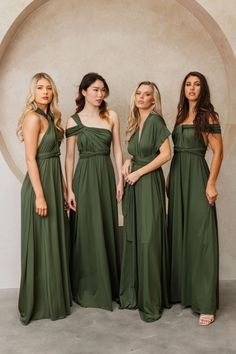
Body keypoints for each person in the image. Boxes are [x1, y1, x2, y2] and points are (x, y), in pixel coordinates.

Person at [167, 71, 223, 326]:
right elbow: (174, 152)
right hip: (178, 178)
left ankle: (205, 302)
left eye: (197, 84)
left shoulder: (208, 116)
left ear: (203, 89)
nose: (192, 88)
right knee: (181, 234)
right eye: (188, 84)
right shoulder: (179, 116)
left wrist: (211, 182)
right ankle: (184, 293)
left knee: (202, 239)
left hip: (198, 178)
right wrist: (169, 180)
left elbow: (218, 152)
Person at [65, 72, 123, 311]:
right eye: (95, 90)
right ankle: (87, 287)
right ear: (84, 92)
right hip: (84, 178)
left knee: (106, 226)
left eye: (102, 90)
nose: (100, 94)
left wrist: (120, 180)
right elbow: (69, 158)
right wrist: (69, 189)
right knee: (86, 230)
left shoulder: (111, 116)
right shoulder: (73, 121)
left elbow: (118, 150)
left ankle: (108, 285)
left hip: (106, 175)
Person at [17, 72, 71, 325]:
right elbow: (31, 159)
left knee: (53, 241)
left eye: (49, 88)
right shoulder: (32, 118)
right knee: (39, 243)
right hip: (38, 188)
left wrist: (62, 190)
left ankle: (53, 300)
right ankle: (37, 304)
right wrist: (40, 195)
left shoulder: (51, 118)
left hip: (51, 183)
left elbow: (54, 159)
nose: (45, 92)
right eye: (40, 88)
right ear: (33, 92)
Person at [119, 81, 171, 322]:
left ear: (154, 99)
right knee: (135, 237)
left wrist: (139, 172)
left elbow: (166, 154)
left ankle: (151, 301)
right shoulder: (135, 122)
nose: (141, 97)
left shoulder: (156, 121)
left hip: (148, 184)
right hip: (134, 186)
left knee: (149, 239)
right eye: (138, 93)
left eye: (147, 94)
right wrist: (130, 160)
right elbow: (139, 151)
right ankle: (135, 295)